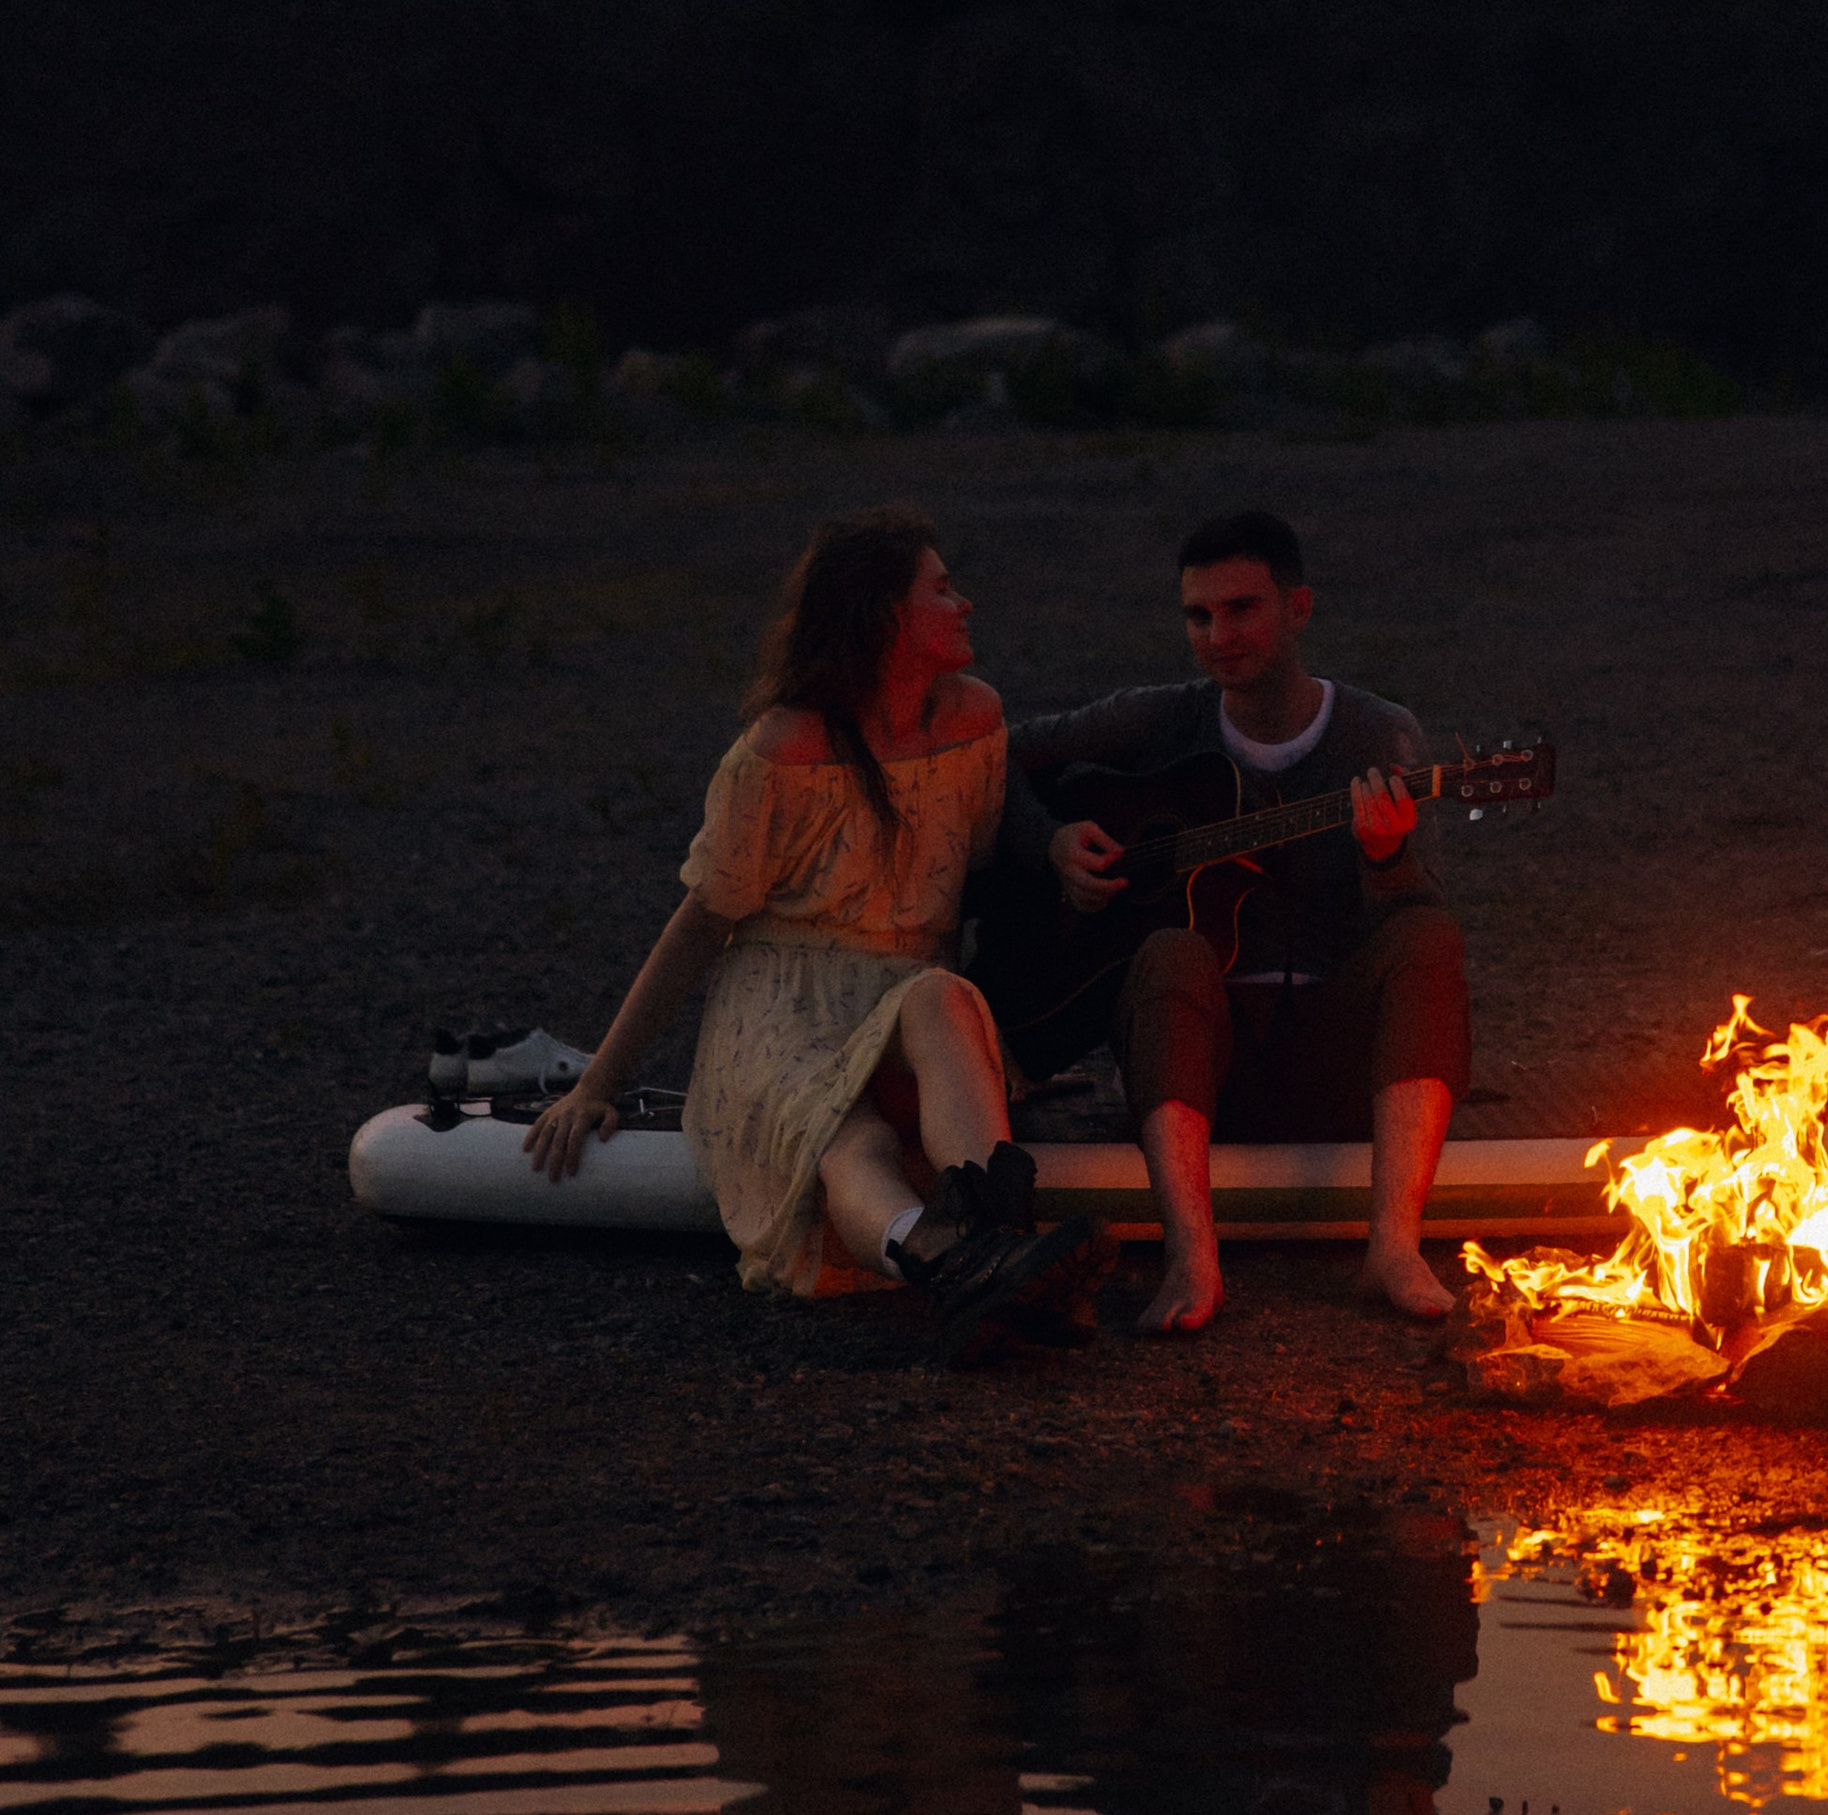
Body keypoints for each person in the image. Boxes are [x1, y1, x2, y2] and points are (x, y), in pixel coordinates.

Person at [525, 508, 1097, 1354]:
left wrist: (1014, 1020)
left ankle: (999, 1245)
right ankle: (945, 1259)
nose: (966, 604)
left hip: (904, 985)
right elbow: (701, 923)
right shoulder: (783, 750)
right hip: (782, 1006)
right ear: (885, 616)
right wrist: (597, 1081)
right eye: (942, 590)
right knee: (847, 1135)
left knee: (944, 997)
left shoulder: (976, 718)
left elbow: (972, 877)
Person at [1001, 508, 1471, 1337]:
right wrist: (1050, 846)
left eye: (1242, 608)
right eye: (1198, 615)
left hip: (1334, 1059)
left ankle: (1394, 1248)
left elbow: (1412, 932)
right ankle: (1192, 1258)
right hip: (1197, 1061)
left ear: (1299, 608)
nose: (1219, 635)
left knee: (1429, 940)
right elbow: (993, 753)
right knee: (1173, 950)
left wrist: (1386, 856)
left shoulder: (1378, 734)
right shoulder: (1163, 720)